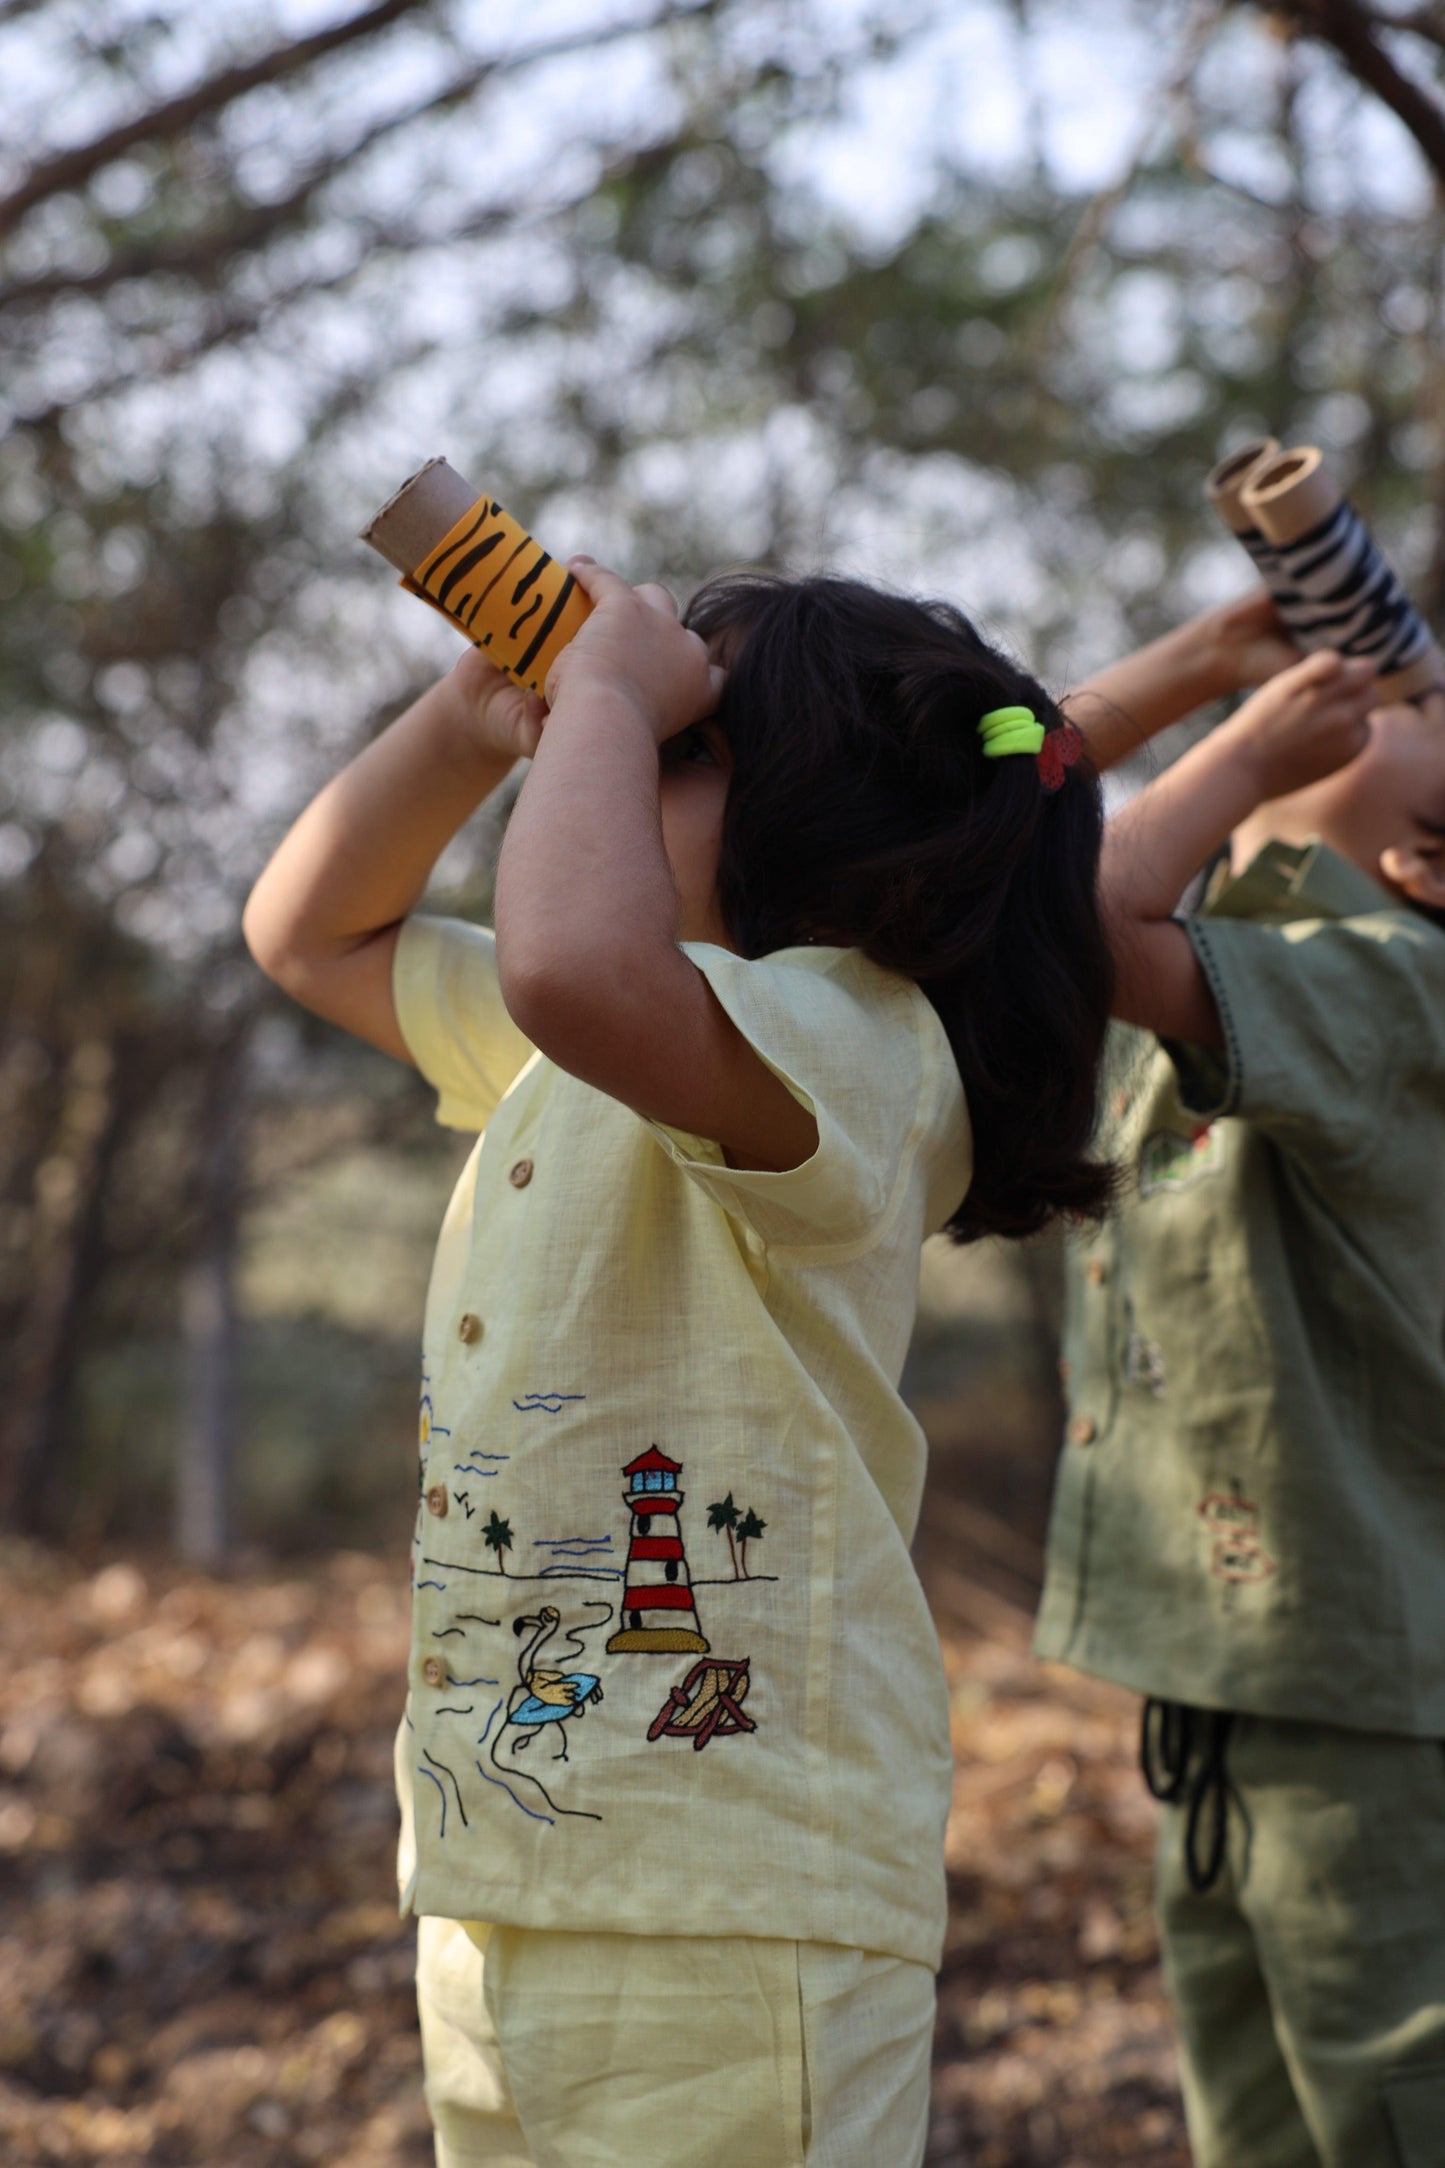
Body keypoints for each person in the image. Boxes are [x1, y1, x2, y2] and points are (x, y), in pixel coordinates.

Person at [243, 554, 1116, 2168]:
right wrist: (459, 725)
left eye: (687, 749)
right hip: (509, 1866)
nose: (626, 753)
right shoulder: (600, 1050)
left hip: (736, 1887)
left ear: (839, 835)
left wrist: (610, 700)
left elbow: (570, 960)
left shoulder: (849, 1040)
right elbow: (309, 934)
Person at [1035, 588, 1445, 2168]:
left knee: (1395, 2099)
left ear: (1423, 855)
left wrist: (1230, 752)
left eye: (1407, 707)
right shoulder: (1245, 940)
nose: (1366, 690)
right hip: (1228, 1681)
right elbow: (985, 867)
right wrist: (1203, 671)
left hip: (1365, 1703)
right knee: (1254, 2109)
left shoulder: (1387, 979)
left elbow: (1058, 921)